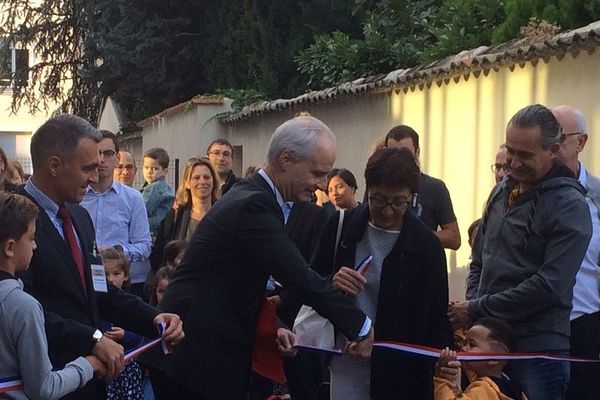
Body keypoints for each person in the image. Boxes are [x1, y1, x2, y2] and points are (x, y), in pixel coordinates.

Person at [159, 115, 374, 399]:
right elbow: (297, 274)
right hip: (195, 358)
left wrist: (276, 327)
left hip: (205, 354)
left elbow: (237, 280)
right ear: (286, 159)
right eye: (317, 173)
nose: (323, 185)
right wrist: (361, 326)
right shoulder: (253, 204)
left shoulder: (252, 195)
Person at [16, 114, 184, 399]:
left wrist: (155, 319)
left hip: (90, 379)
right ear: (54, 165)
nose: (95, 178)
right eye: (88, 168)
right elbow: (20, 308)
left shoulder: (80, 217)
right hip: (43, 380)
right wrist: (92, 339)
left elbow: (99, 291)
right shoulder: (12, 218)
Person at [450, 104, 592, 400]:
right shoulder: (502, 190)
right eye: (510, 152)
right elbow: (479, 259)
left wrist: (477, 308)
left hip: (537, 350)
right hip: (488, 343)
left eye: (525, 155)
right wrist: (477, 310)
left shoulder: (569, 205)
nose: (513, 164)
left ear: (554, 149)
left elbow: (549, 286)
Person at [311, 147, 452, 400]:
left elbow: (435, 316)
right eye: (378, 199)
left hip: (402, 373)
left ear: (412, 197)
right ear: (367, 190)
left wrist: (444, 360)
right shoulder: (340, 227)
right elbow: (311, 284)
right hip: (346, 365)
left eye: (398, 202)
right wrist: (332, 282)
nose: (387, 210)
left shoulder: (425, 245)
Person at [0, 192, 107, 400]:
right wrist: (89, 364)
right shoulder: (23, 306)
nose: (35, 246)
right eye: (31, 238)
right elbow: (43, 388)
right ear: (10, 248)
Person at [552, 105, 600, 400]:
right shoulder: (524, 191)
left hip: (586, 322)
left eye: (559, 137)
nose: (552, 147)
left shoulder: (596, 195)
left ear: (580, 142)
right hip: (538, 326)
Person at [81, 130, 153, 297]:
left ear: (117, 158)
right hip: (85, 283)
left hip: (122, 286)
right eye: (97, 153)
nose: (101, 160)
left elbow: (144, 246)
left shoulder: (133, 198)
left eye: (108, 153)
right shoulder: (76, 197)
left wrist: (118, 251)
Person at [384, 125, 461, 250]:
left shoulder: (434, 188)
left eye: (405, 153)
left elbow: (454, 239)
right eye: (391, 153)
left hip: (420, 264)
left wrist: (418, 236)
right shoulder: (378, 186)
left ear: (417, 152)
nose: (398, 160)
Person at [150, 157, 219, 269]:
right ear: (187, 183)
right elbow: (157, 257)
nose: (202, 182)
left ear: (213, 181)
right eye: (196, 178)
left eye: (206, 177)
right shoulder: (174, 217)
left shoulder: (224, 216)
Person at [434, 318, 525, 400]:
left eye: (472, 345)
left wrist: (442, 381)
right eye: (464, 343)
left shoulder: (483, 389)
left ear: (495, 357)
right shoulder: (514, 387)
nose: (463, 348)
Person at [99, 247, 145, 400]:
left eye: (116, 273)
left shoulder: (132, 303)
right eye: (105, 274)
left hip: (128, 368)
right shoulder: (94, 303)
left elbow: (140, 336)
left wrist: (125, 335)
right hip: (103, 368)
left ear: (126, 275)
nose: (110, 279)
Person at [141, 147, 174, 237]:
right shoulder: (166, 187)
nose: (149, 172)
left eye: (155, 168)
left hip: (151, 229)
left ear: (165, 172)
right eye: (146, 167)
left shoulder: (155, 188)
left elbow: (143, 209)